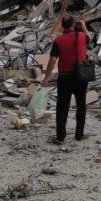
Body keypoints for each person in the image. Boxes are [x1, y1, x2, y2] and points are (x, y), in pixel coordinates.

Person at [41, 16, 89, 144]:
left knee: (62, 107)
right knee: (81, 105)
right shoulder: (81, 36)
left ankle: (60, 136)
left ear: (63, 26)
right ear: (73, 25)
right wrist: (83, 25)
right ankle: (79, 134)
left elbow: (52, 59)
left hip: (65, 77)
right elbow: (89, 38)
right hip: (81, 75)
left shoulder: (58, 41)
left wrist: (46, 77)